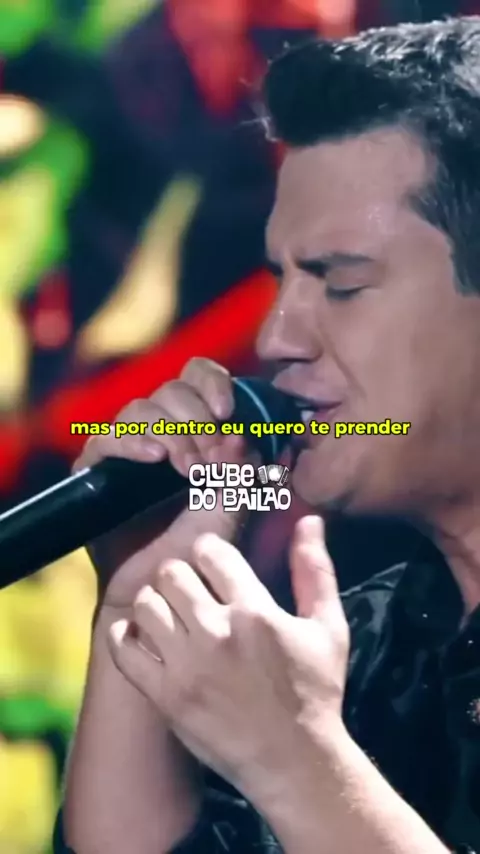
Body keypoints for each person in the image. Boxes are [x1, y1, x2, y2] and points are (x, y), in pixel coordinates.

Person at [54, 15, 480, 854]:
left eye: (341, 284)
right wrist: (146, 595)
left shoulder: (307, 709)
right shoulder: (375, 645)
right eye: (280, 280)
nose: (279, 338)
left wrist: (299, 762)